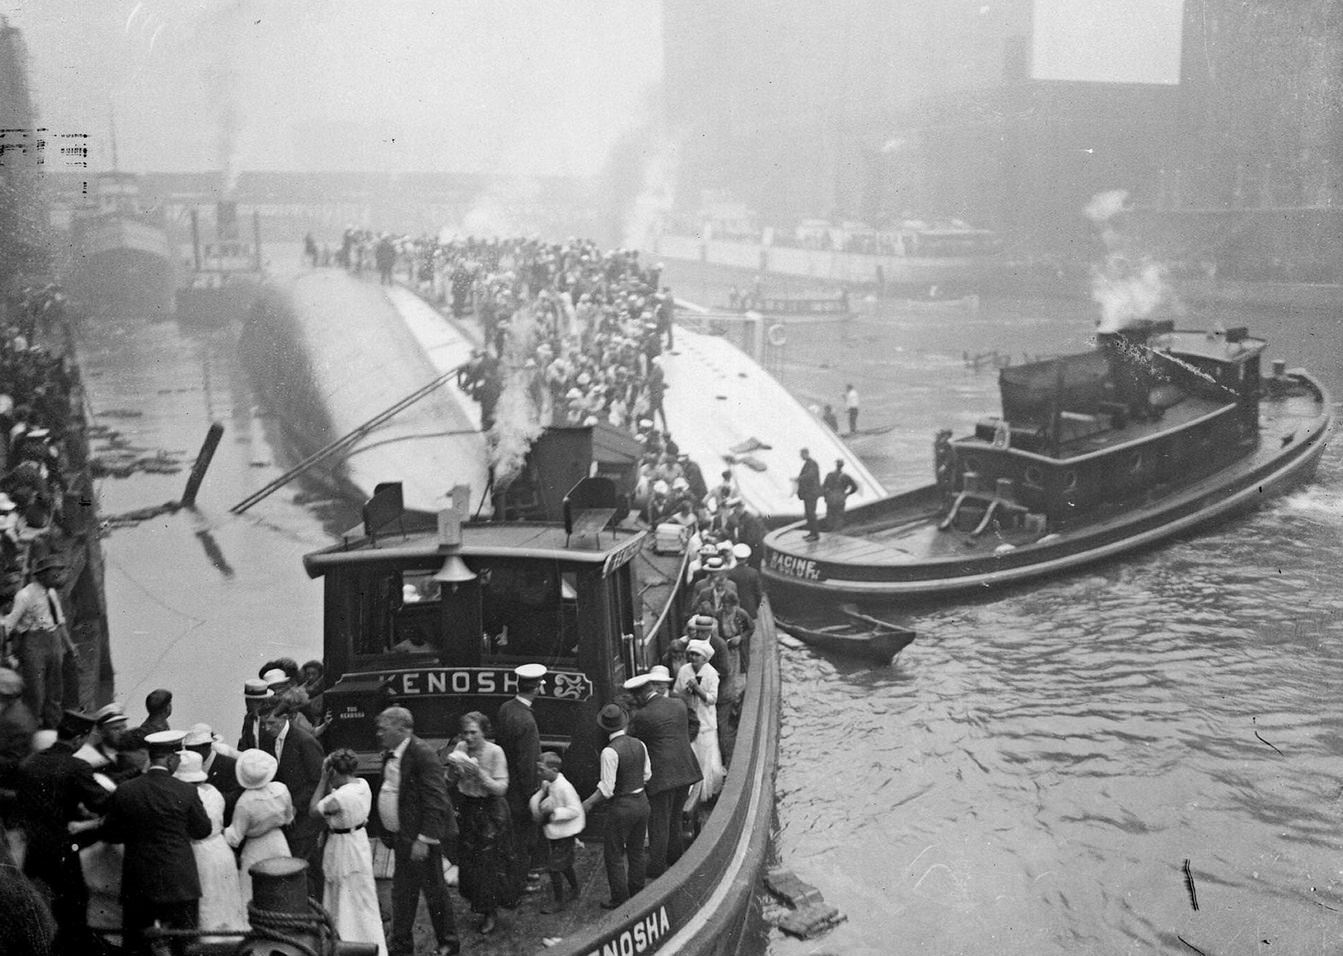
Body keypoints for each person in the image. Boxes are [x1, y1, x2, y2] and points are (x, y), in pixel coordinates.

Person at [102, 729, 212, 956]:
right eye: (178, 757)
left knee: (136, 946)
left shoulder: (126, 790)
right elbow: (203, 830)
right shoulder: (187, 791)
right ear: (171, 758)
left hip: (139, 881)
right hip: (180, 882)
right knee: (184, 947)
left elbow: (111, 833)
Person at [13, 709, 108, 953]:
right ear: (79, 739)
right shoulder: (76, 766)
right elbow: (102, 803)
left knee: (37, 903)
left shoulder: (30, 762)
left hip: (32, 847)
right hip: (61, 845)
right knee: (74, 904)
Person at [375, 706, 460, 956]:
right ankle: (402, 947)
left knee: (433, 892)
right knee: (403, 892)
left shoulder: (422, 754)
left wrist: (424, 839)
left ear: (402, 729)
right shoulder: (392, 752)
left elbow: (436, 799)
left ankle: (448, 944)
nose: (379, 733)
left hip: (420, 839)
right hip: (403, 837)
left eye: (384, 728)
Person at [626, 667, 701, 879]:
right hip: (685, 770)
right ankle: (675, 857)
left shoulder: (642, 716)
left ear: (640, 694)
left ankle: (657, 867)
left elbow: (633, 741)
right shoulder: (678, 704)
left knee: (658, 822)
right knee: (675, 818)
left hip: (661, 777)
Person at [310, 748, 386, 956]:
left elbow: (313, 809)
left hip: (342, 846)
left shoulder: (338, 799)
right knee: (362, 896)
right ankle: (370, 942)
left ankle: (345, 943)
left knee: (342, 896)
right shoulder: (363, 785)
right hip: (358, 841)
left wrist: (322, 779)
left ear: (333, 772)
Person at [446, 711, 517, 935]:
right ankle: (480, 904)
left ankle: (490, 912)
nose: (468, 737)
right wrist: (455, 772)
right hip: (468, 807)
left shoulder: (495, 752)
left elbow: (501, 788)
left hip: (491, 810)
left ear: (484, 731)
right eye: (465, 732)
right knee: (469, 860)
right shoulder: (460, 749)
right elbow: (448, 781)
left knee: (489, 862)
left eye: (473, 732)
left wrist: (479, 774)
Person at [580, 704, 651, 909]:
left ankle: (620, 898)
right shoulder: (640, 744)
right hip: (642, 802)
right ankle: (637, 892)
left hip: (621, 807)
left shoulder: (609, 752)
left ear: (605, 728)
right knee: (637, 851)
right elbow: (647, 775)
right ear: (624, 722)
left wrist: (588, 803)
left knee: (614, 854)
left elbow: (607, 789)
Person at [174, 750, 247, 940]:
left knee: (208, 898)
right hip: (220, 848)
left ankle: (209, 940)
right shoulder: (213, 792)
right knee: (226, 896)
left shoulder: (185, 796)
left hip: (199, 850)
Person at [262, 702, 325, 901]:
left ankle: (308, 907)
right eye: (264, 724)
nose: (267, 728)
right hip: (288, 816)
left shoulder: (304, 741)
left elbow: (317, 780)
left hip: (306, 816)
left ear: (285, 718)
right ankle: (319, 904)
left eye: (271, 723)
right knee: (313, 865)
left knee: (300, 861)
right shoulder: (268, 740)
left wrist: (296, 806)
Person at [1, 554, 74, 728]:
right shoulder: (25, 595)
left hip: (53, 640)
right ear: (41, 575)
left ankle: (53, 726)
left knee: (55, 688)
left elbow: (59, 620)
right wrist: (7, 651)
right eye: (54, 574)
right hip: (33, 642)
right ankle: (32, 728)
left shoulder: (51, 592)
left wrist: (69, 645)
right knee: (35, 691)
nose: (58, 577)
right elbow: (10, 623)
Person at [495, 663, 544, 897]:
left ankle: (523, 874)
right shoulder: (527, 721)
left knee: (514, 836)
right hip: (521, 791)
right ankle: (519, 882)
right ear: (536, 688)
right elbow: (528, 763)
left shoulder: (506, 708)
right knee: (524, 838)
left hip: (507, 784)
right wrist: (533, 793)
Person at [223, 749, 293, 907]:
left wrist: (220, 831)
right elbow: (289, 818)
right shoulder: (281, 789)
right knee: (282, 886)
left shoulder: (245, 802)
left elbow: (234, 837)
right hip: (278, 841)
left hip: (256, 847)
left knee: (251, 891)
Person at [528, 751, 583, 913]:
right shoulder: (552, 782)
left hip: (565, 833)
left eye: (541, 770)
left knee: (553, 867)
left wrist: (555, 813)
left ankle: (558, 902)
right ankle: (574, 888)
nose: (539, 773)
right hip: (557, 831)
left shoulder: (565, 788)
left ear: (554, 770)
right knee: (564, 864)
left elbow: (574, 810)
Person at [674, 640, 725, 810]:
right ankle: (692, 796)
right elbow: (676, 693)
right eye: (691, 654)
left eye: (697, 655)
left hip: (706, 721)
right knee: (692, 756)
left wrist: (698, 689)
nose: (693, 658)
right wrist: (685, 693)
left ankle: (708, 794)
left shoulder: (711, 674)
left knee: (708, 759)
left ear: (705, 659)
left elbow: (712, 699)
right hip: (688, 720)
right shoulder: (684, 671)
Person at [184, 723, 241, 826]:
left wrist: (210, 799)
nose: (190, 752)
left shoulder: (229, 765)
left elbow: (235, 796)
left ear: (207, 746)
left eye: (195, 749)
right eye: (188, 749)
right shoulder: (186, 765)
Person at [821, 458, 859, 532]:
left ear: (836, 465)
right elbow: (855, 487)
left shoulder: (829, 475)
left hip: (831, 497)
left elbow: (824, 487)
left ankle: (830, 532)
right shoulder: (846, 476)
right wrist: (847, 494)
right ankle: (838, 533)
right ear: (842, 466)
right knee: (839, 516)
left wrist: (826, 497)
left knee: (830, 515)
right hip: (841, 497)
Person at [237, 679, 273, 752]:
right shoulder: (249, 719)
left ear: (262, 702)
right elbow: (244, 744)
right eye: (246, 700)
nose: (247, 704)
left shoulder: (272, 720)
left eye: (250, 701)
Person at [795, 448, 822, 541]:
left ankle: (815, 535)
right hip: (808, 494)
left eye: (801, 454)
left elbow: (810, 475)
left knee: (811, 514)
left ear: (806, 454)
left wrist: (799, 478)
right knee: (809, 514)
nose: (801, 456)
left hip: (812, 494)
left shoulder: (812, 464)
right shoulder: (809, 463)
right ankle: (812, 533)